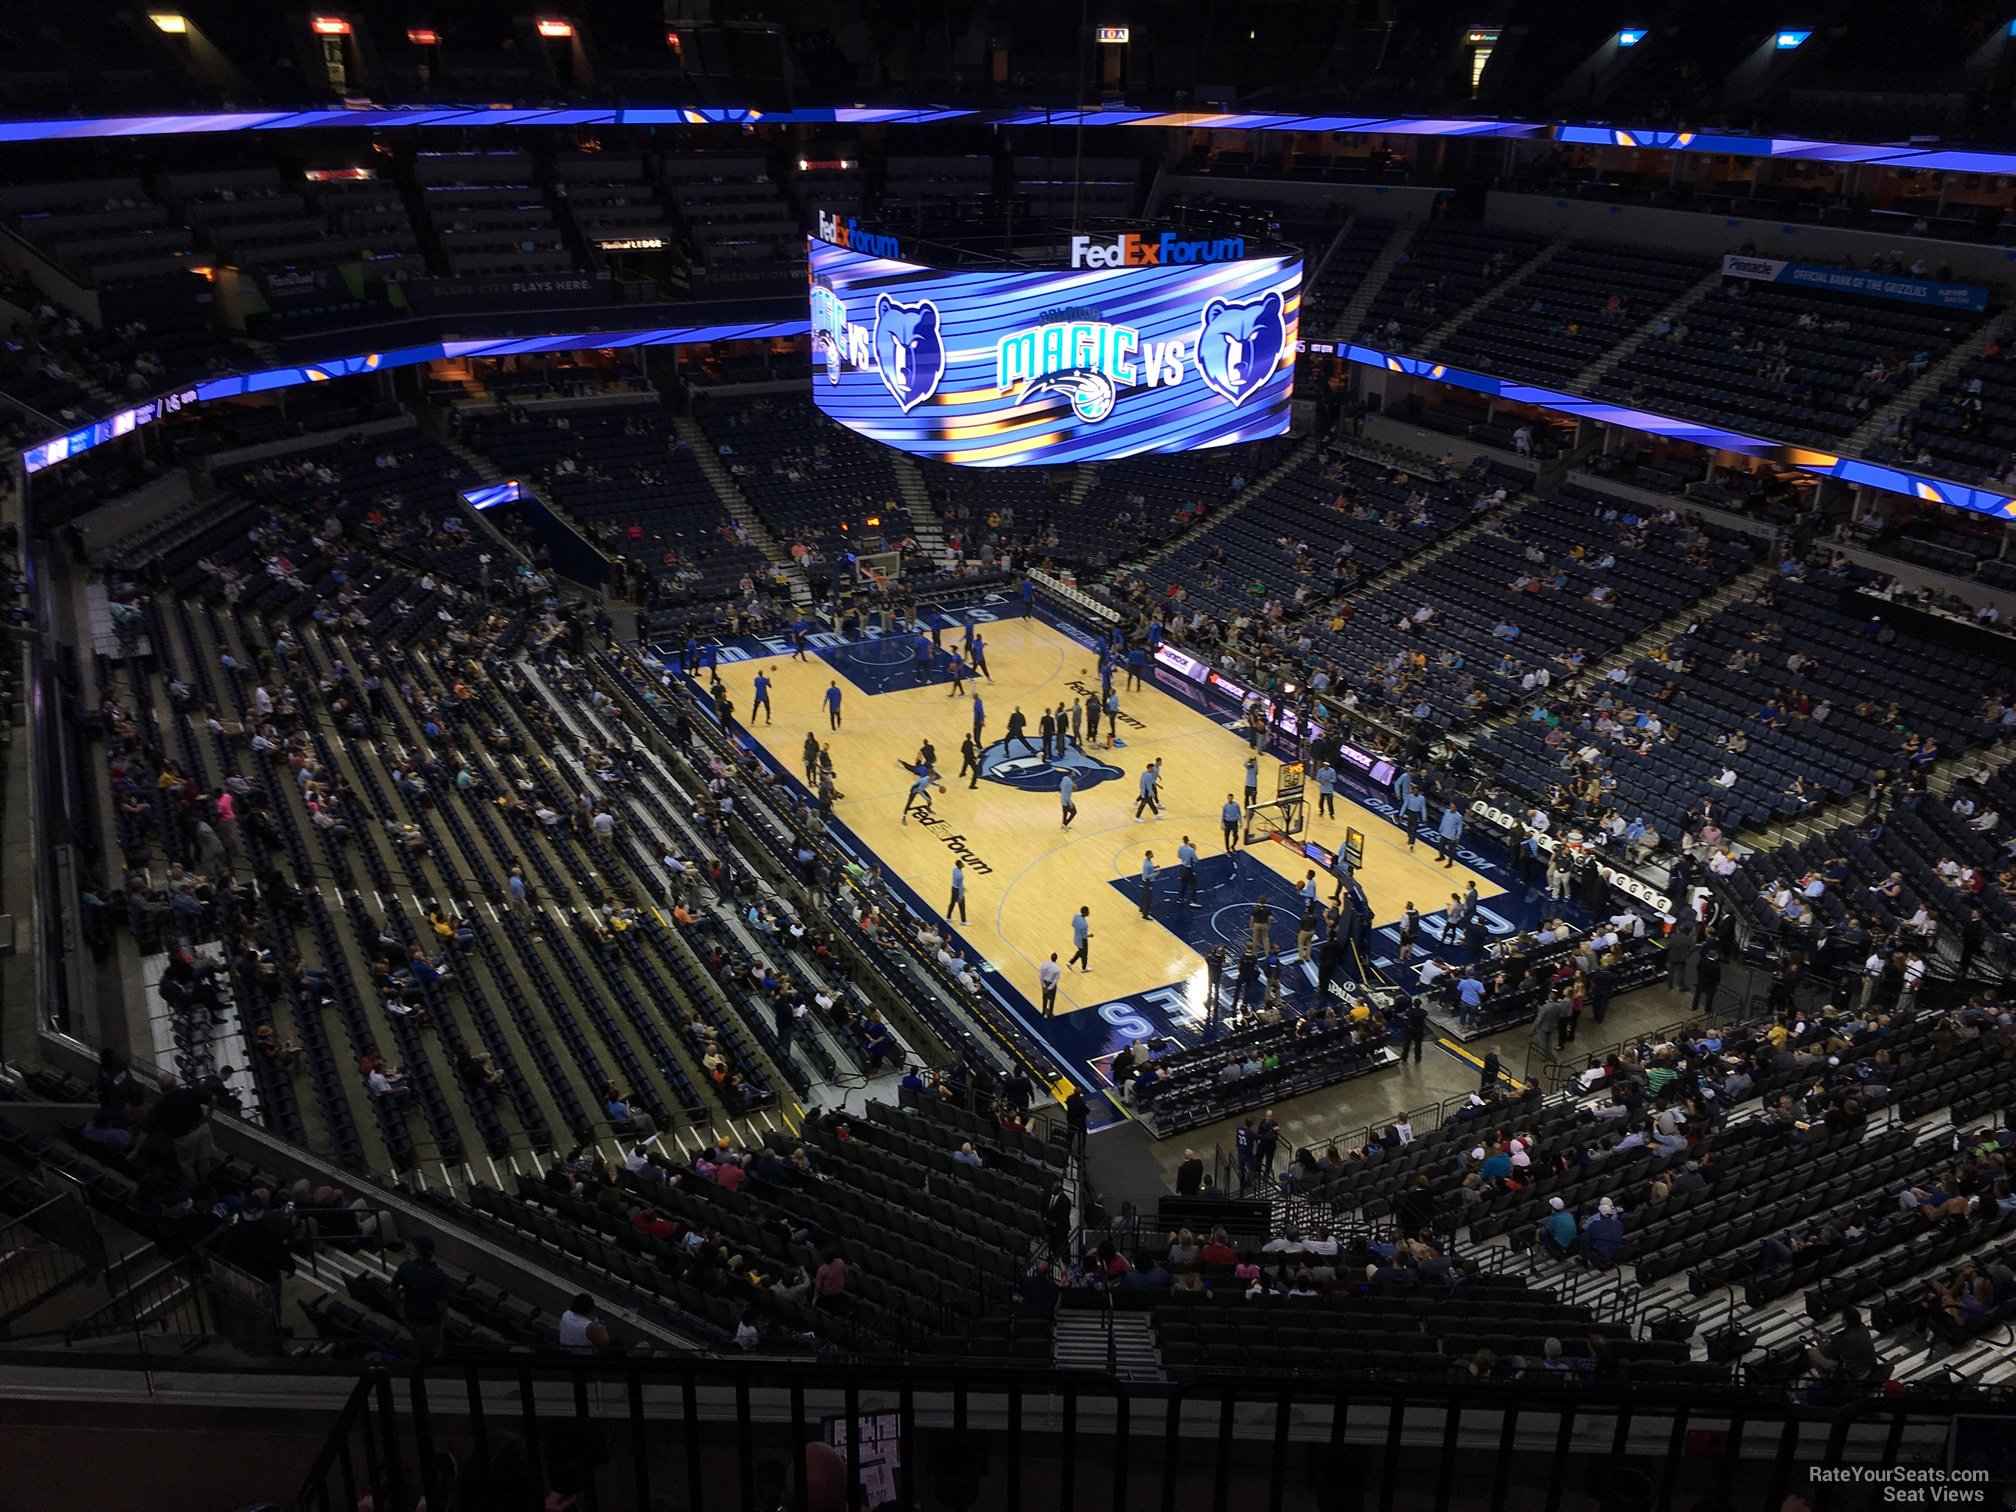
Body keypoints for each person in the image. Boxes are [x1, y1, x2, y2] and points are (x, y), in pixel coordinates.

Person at [392, 1235, 458, 1357]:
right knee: (434, 1349)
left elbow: (392, 1289)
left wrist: (398, 1307)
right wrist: (445, 1319)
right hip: (430, 1320)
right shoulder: (437, 1276)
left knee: (418, 1343)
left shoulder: (405, 1267)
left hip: (411, 1316)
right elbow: (441, 1303)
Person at [1176, 835, 1200, 906]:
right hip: (1189, 869)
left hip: (1182, 867)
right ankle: (1193, 901)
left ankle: (1180, 898)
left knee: (1183, 884)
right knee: (1194, 884)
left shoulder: (1180, 847)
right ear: (1188, 840)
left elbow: (1179, 856)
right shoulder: (1191, 850)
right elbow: (1196, 859)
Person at [1069, 906, 1092, 971]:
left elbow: (1073, 925)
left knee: (1080, 952)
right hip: (1082, 941)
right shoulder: (1084, 924)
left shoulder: (1076, 917)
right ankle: (1084, 968)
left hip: (1076, 937)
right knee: (1084, 954)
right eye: (1087, 911)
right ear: (1085, 913)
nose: (1089, 913)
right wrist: (1089, 936)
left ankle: (1070, 963)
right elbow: (1084, 936)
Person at [1139, 851, 1158, 917]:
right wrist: (1155, 874)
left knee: (1144, 896)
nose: (1153, 854)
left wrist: (1155, 867)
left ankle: (1141, 908)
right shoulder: (1147, 864)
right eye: (1151, 854)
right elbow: (1146, 875)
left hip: (1146, 881)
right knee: (1148, 898)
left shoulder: (1147, 861)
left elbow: (1150, 869)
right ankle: (1145, 915)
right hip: (1148, 882)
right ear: (1148, 855)